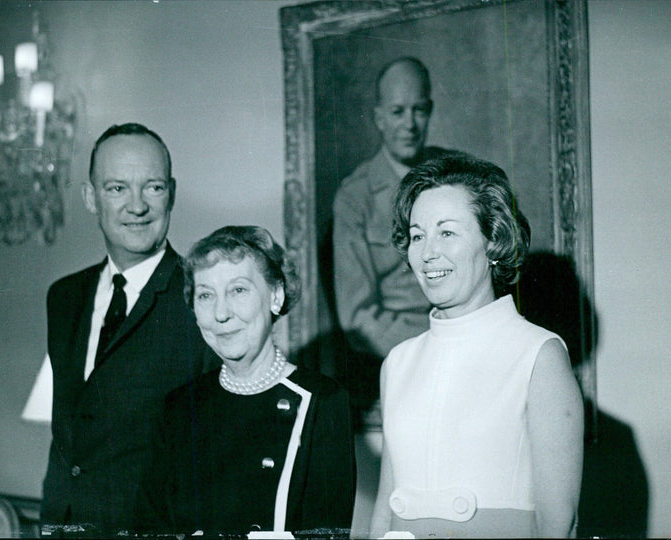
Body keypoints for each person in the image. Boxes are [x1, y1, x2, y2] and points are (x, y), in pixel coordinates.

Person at [371, 154, 584, 538]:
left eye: (447, 232)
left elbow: (558, 524)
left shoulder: (539, 354)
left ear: (493, 241)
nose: (428, 252)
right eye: (418, 235)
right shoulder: (399, 363)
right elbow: (386, 506)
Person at [41, 123, 219, 535]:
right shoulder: (64, 298)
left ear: (171, 193)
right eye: (117, 188)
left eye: (153, 187)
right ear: (91, 197)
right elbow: (71, 437)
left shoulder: (204, 297)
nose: (136, 206)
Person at [135, 225, 357, 536]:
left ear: (275, 296)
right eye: (206, 295)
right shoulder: (177, 407)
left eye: (238, 290)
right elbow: (150, 528)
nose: (221, 313)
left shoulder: (322, 401)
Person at [332, 57, 460, 409]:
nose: (409, 124)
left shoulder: (458, 175)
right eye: (397, 112)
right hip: (404, 362)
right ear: (379, 119)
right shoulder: (354, 197)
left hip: (468, 341)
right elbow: (357, 317)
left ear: (430, 111)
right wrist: (436, 346)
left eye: (419, 110)